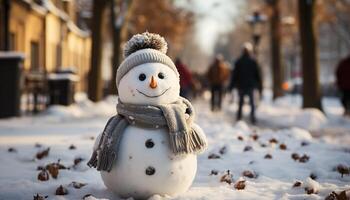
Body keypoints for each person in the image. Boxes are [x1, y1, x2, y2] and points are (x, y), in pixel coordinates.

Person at [229, 43, 262, 124]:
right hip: (250, 85)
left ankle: (239, 117)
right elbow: (257, 74)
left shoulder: (238, 61)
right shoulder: (253, 61)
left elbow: (234, 75)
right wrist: (260, 85)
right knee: (251, 103)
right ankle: (252, 117)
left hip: (241, 85)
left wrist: (231, 86)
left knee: (240, 102)